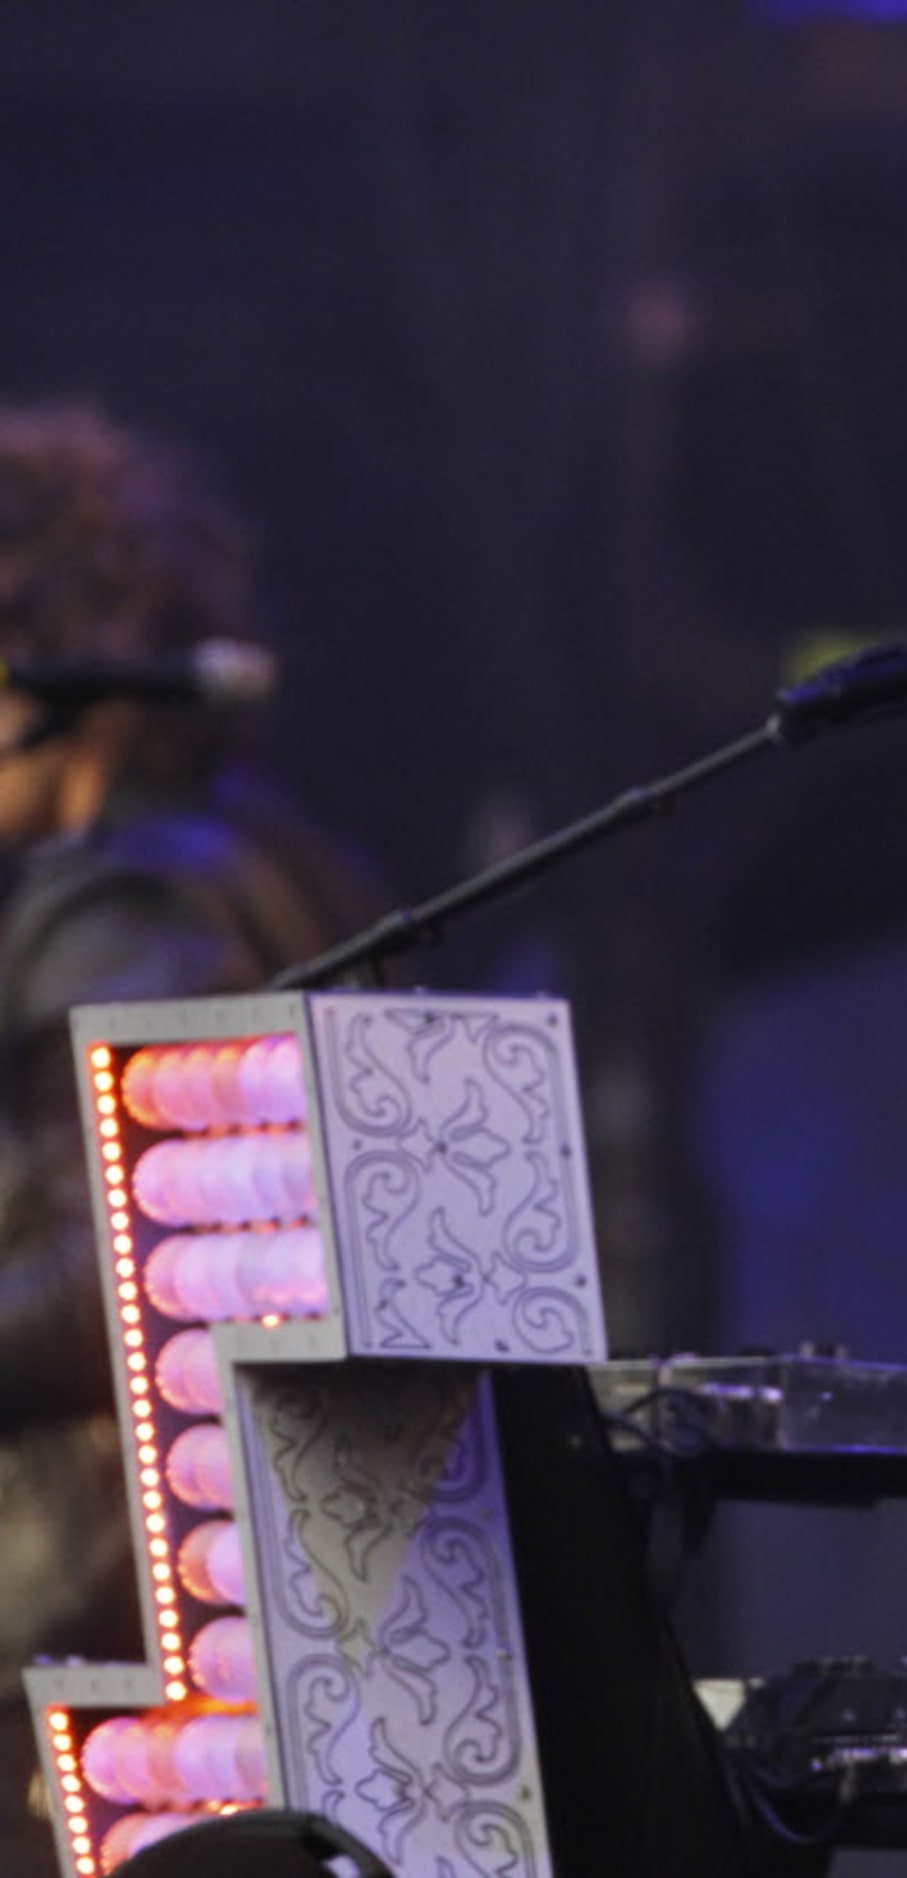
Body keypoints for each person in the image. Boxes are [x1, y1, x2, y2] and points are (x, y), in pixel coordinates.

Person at [0, 405, 387, 1870]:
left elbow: (148, 1259)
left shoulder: (118, 901)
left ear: (57, 662)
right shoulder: (289, 862)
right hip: (255, 1642)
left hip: (87, 1662)